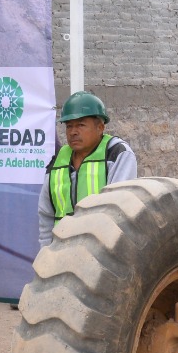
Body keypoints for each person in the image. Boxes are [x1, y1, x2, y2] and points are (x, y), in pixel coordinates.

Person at [38, 91, 139, 248]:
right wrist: (45, 253)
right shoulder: (58, 160)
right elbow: (46, 216)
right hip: (61, 250)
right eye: (69, 126)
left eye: (81, 125)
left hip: (103, 250)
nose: (73, 132)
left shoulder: (116, 154)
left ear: (100, 128)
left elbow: (119, 210)